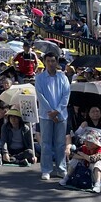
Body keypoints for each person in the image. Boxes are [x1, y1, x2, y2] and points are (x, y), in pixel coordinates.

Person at [36, 51, 71, 181]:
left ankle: (61, 168)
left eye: (53, 61)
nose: (51, 63)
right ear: (45, 62)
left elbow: (66, 96)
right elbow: (40, 96)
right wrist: (51, 112)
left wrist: (57, 111)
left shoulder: (63, 77)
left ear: (56, 62)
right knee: (45, 143)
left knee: (60, 143)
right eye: (48, 61)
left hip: (61, 115)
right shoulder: (39, 78)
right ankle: (46, 169)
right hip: (46, 115)